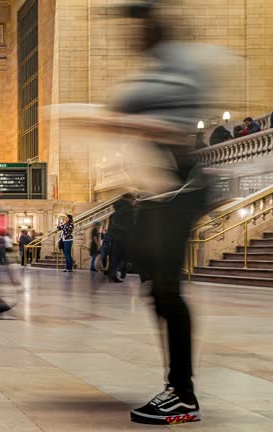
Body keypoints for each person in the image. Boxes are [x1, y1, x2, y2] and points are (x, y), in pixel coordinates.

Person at [97, 2, 210, 424]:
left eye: (135, 30)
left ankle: (182, 393)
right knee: (158, 288)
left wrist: (133, 123)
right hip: (161, 192)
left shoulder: (181, 66)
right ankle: (180, 388)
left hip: (180, 189)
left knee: (166, 291)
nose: (130, 40)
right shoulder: (158, 67)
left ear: (151, 30)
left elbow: (176, 127)